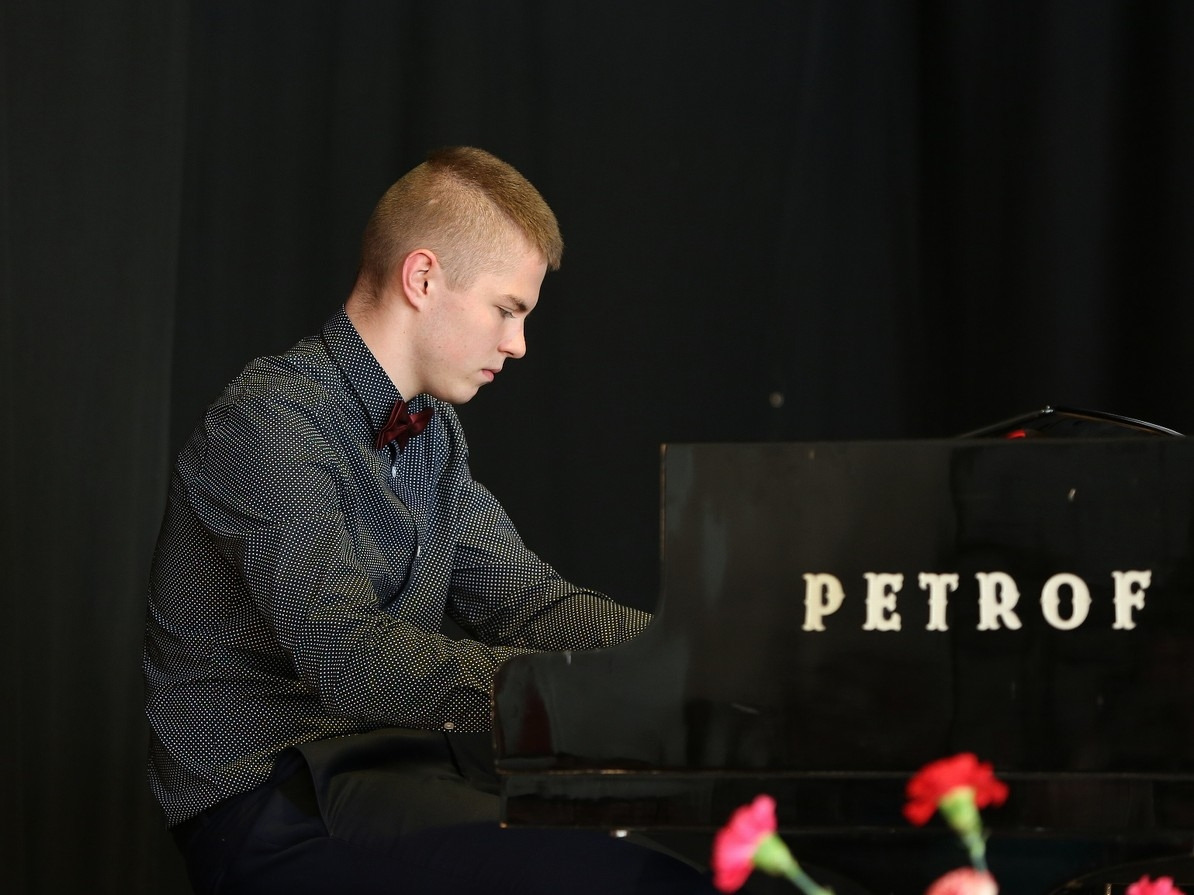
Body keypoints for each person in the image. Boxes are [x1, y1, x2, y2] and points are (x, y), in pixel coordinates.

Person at [143, 146, 718, 894]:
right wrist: (586, 696)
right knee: (632, 876)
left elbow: (527, 601)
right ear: (422, 278)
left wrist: (692, 656)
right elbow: (350, 658)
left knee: (682, 845)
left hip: (391, 770)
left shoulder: (432, 432)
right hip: (266, 798)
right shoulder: (269, 423)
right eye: (507, 310)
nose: (517, 344)